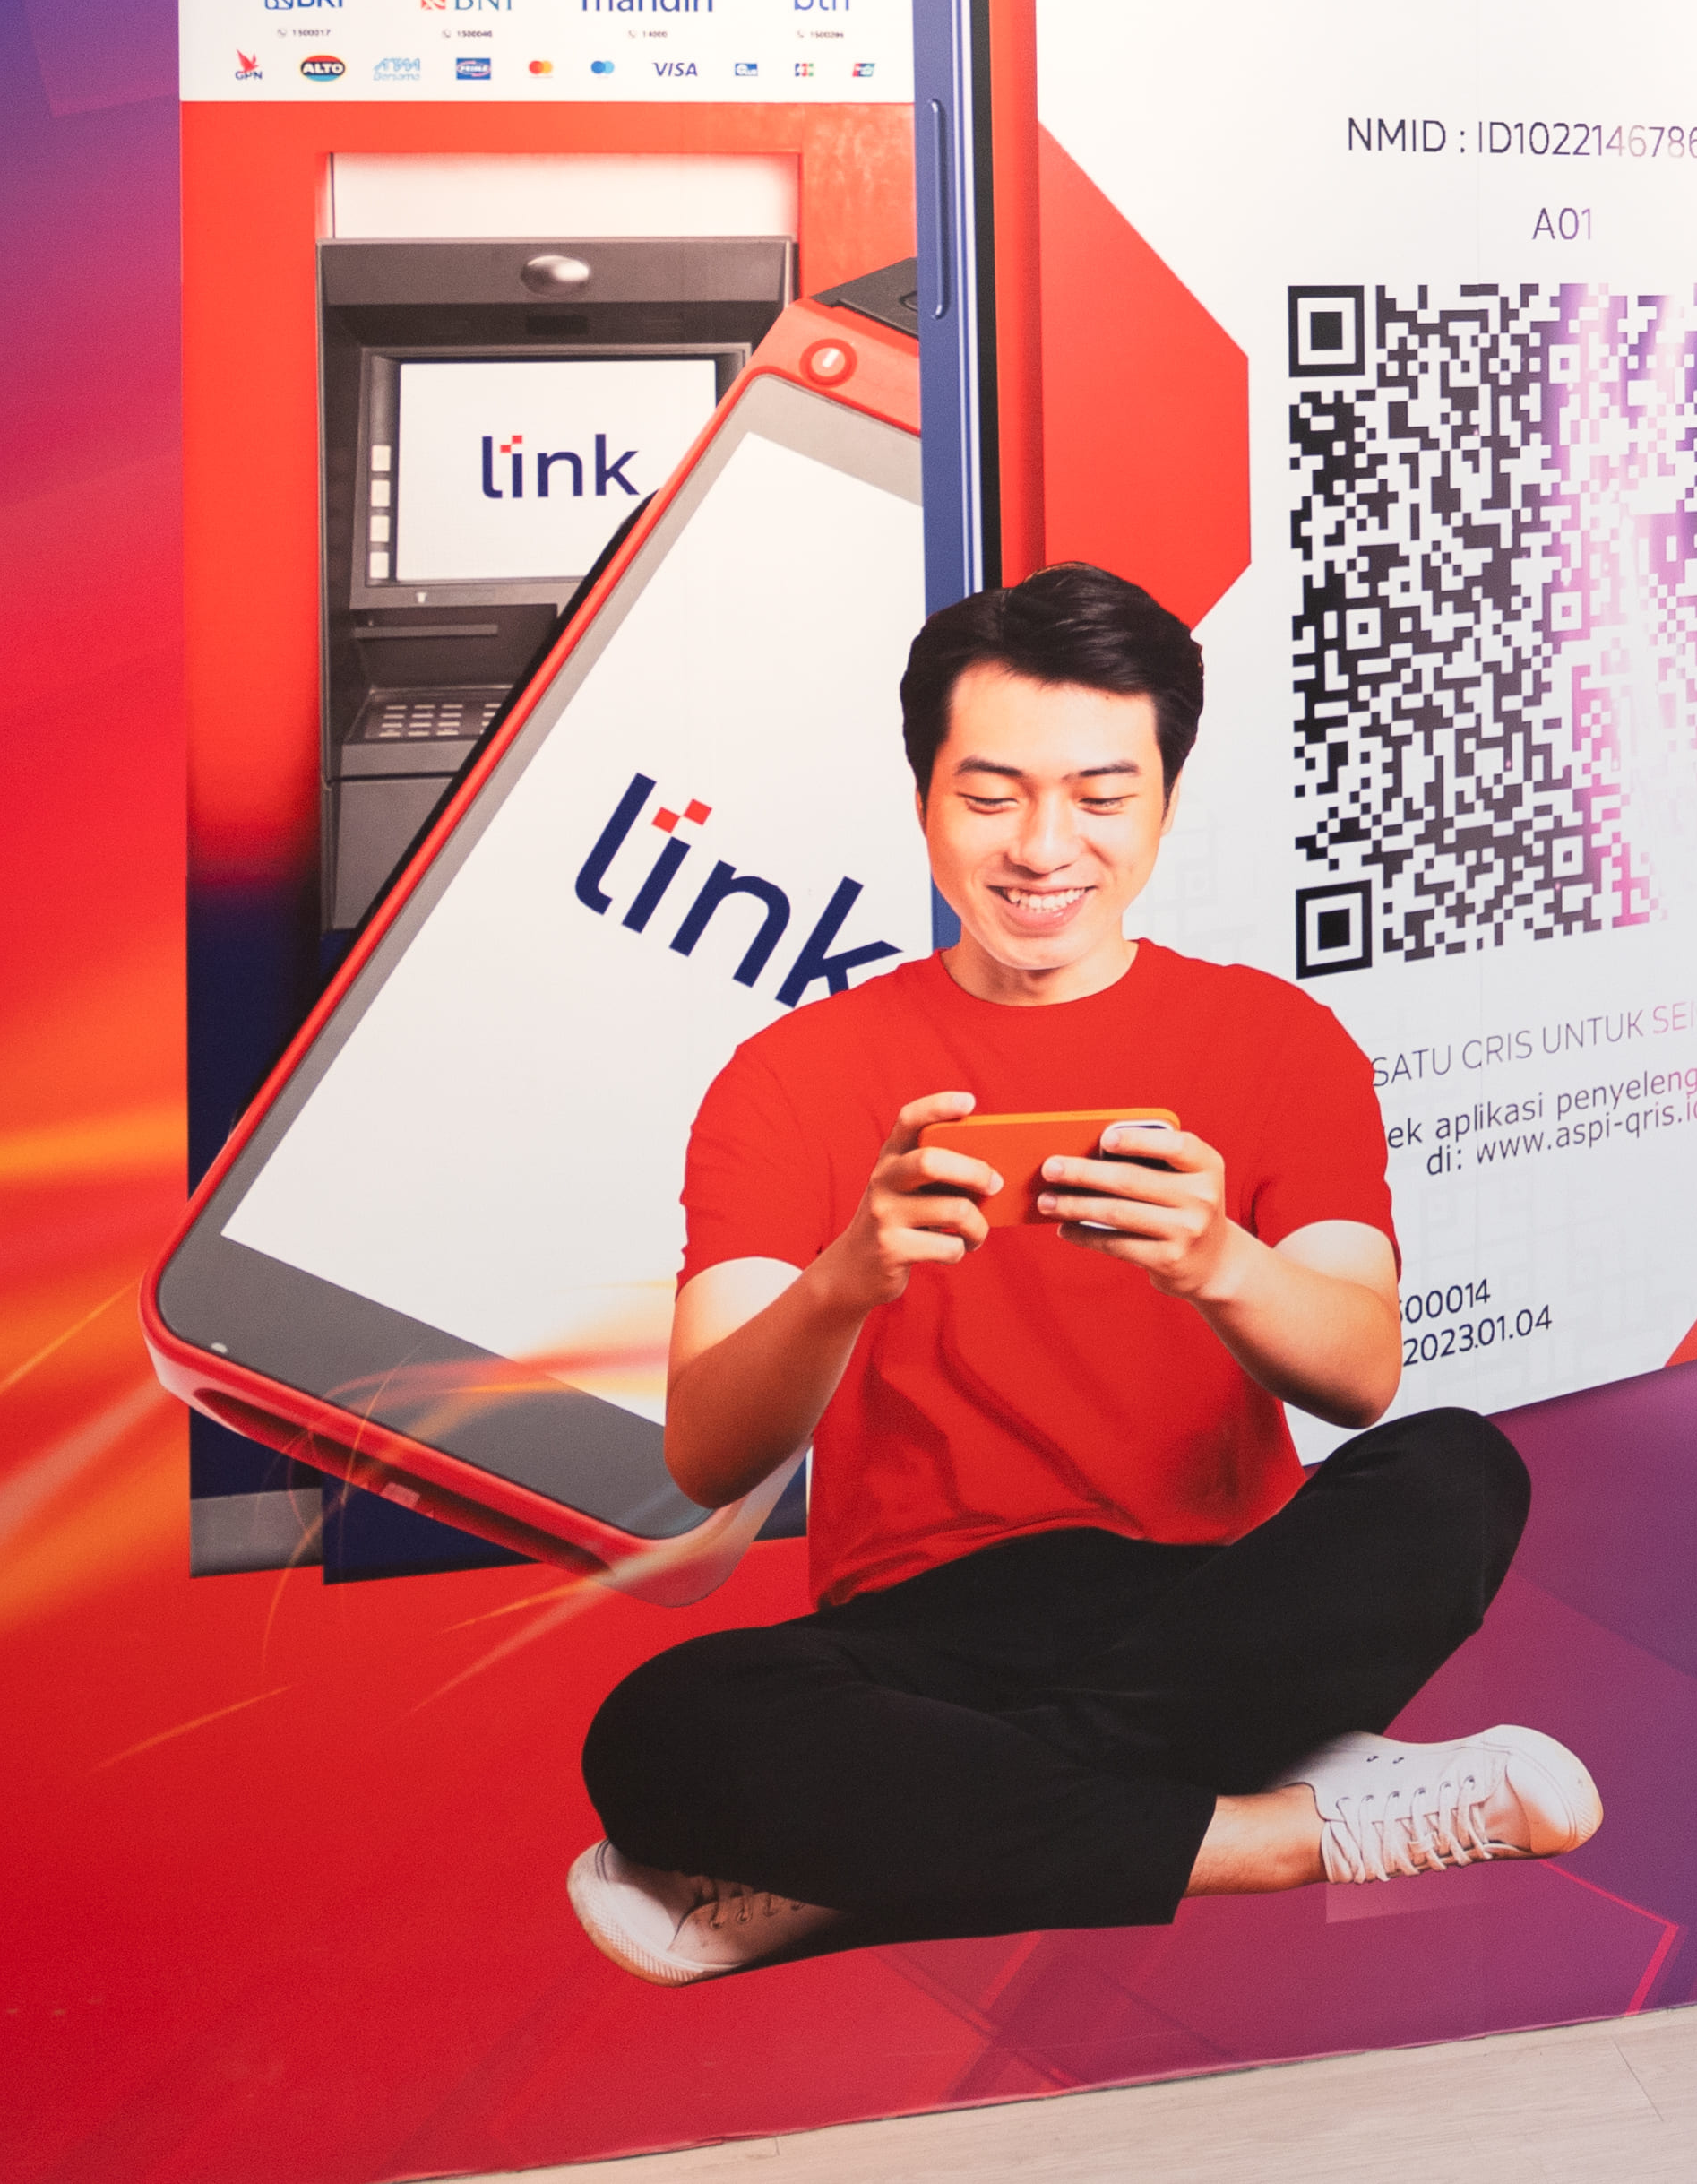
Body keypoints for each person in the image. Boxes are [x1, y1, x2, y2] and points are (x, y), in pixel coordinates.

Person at [563, 563, 1599, 1983]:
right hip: (918, 1634)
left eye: (1102, 795)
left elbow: (1361, 1376)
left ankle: (863, 1863)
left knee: (1457, 1473)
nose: (1045, 846)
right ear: (923, 796)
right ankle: (1287, 1827)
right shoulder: (790, 1074)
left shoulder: (1277, 1040)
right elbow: (706, 1453)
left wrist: (1218, 1259)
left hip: (1212, 1608)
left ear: (1166, 798)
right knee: (661, 1725)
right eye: (990, 796)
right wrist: (845, 1276)